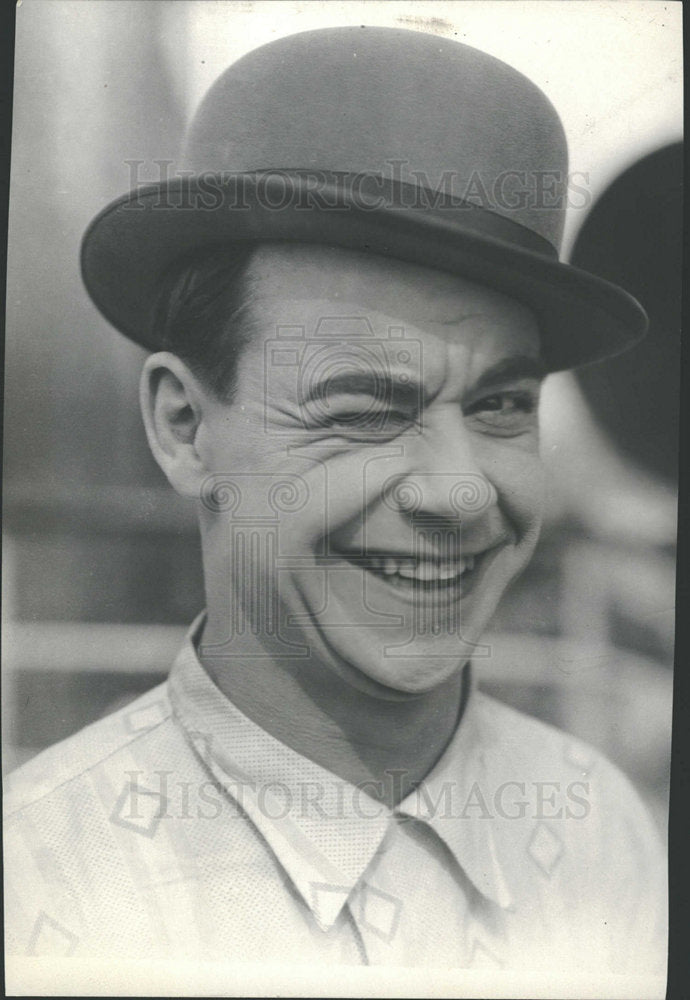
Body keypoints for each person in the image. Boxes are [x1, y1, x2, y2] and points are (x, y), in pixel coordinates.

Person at [4, 26, 666, 979]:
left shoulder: (606, 834)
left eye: (501, 405)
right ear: (186, 427)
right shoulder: (41, 886)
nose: (459, 489)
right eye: (363, 409)